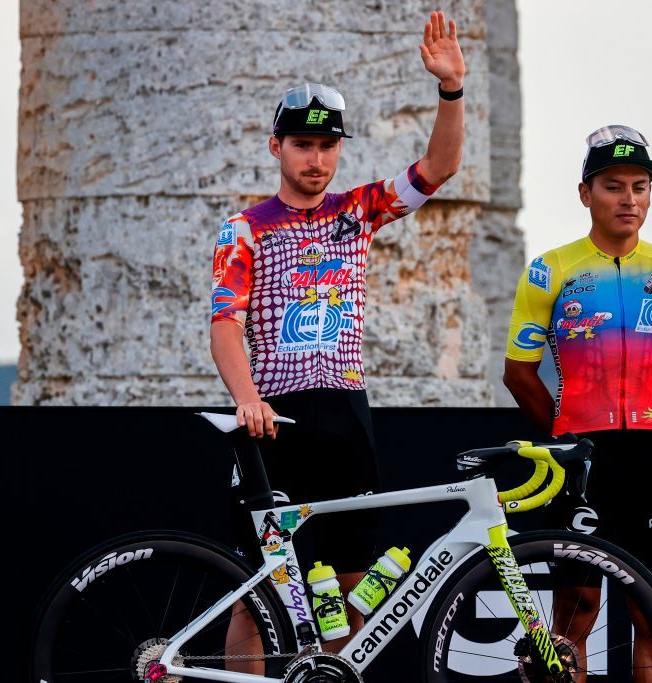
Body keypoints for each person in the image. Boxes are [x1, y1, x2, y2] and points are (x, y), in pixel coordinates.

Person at [209, 10, 465, 652]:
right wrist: (247, 399)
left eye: (327, 146)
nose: (317, 158)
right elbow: (224, 322)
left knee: (352, 590)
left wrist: (451, 89)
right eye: (303, 145)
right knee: (259, 596)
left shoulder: (358, 210)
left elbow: (439, 167)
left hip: (347, 417)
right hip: (277, 420)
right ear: (277, 148)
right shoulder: (244, 227)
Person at [503, 125, 652, 682]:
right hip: (581, 462)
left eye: (640, 186)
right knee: (576, 615)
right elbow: (518, 373)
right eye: (614, 186)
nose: (629, 199)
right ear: (585, 193)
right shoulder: (552, 270)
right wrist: (570, 436)